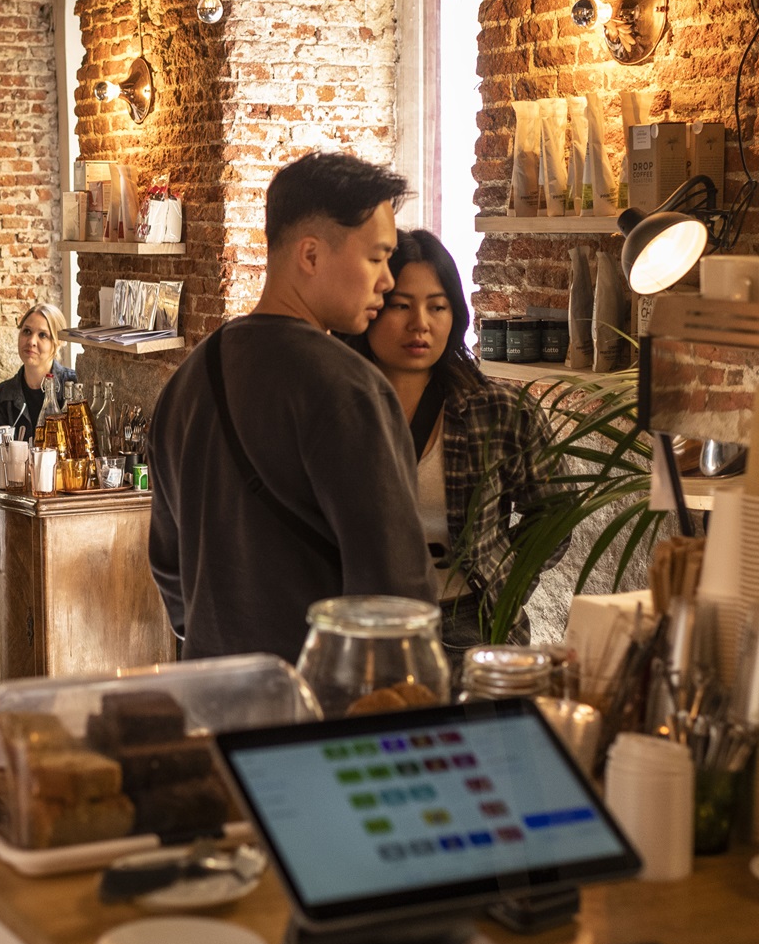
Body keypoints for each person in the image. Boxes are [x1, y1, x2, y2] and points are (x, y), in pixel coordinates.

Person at [149, 151, 433, 661]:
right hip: (318, 714)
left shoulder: (189, 378)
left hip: (214, 694)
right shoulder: (350, 389)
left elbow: (168, 564)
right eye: (377, 257)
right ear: (310, 255)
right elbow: (397, 598)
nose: (388, 281)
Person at [350, 229, 564, 655]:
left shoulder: (499, 410)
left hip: (471, 622)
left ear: (456, 316)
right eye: (401, 306)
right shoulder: (334, 410)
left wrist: (507, 579)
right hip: (361, 625)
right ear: (369, 309)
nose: (420, 324)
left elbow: (555, 517)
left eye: (437, 306)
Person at [0, 302, 79, 437]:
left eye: (42, 335)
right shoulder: (2, 395)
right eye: (27, 331)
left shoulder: (73, 385)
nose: (31, 341)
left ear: (58, 342)